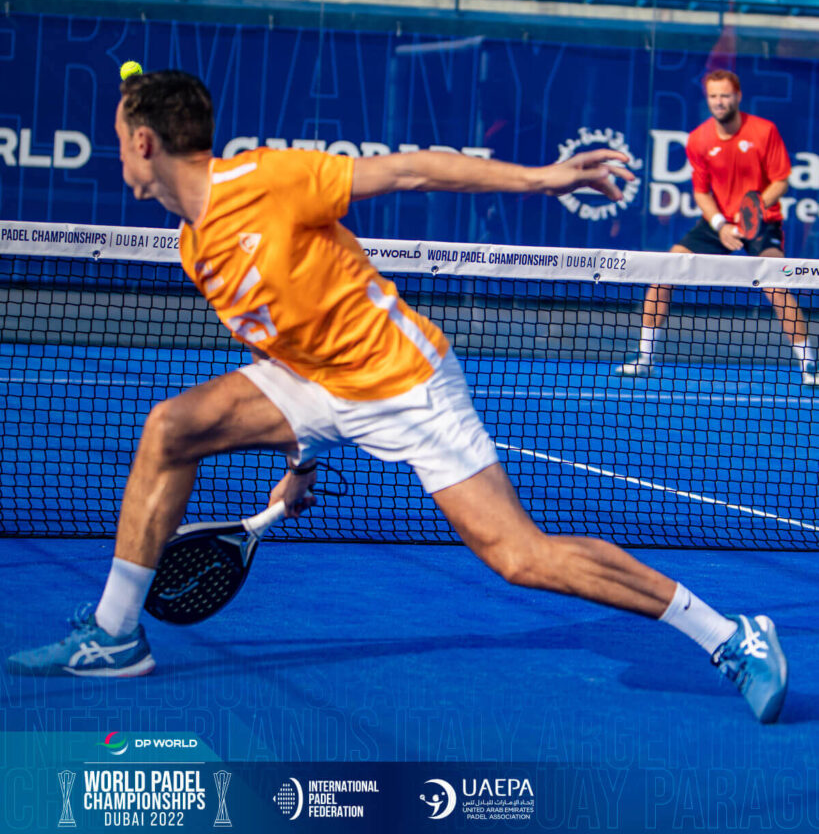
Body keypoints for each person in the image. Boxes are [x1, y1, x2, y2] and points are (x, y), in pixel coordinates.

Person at [6, 71, 788, 724]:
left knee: (520, 558)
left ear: (144, 142)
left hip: (405, 386)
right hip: (316, 383)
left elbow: (412, 169)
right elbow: (280, 341)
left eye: (120, 138)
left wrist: (541, 178)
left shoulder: (265, 179)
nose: (119, 153)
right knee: (170, 428)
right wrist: (300, 458)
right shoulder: (192, 244)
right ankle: (115, 634)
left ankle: (729, 636)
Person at [618, 69, 815, 383]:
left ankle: (809, 366)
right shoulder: (698, 139)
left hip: (761, 221)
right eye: (713, 96)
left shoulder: (764, 131)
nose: (719, 101)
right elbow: (701, 192)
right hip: (718, 223)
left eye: (725, 95)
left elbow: (781, 181)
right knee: (662, 273)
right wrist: (722, 224)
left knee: (776, 284)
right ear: (707, 99)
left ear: (737, 96)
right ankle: (644, 359)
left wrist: (753, 210)